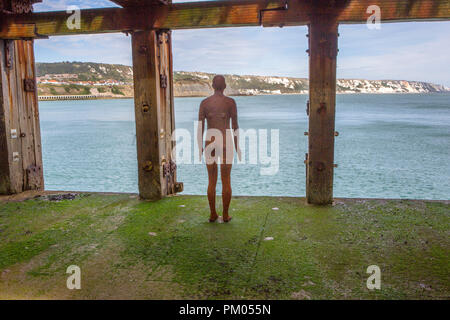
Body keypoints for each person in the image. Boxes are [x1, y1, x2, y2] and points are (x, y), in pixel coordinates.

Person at [197, 75, 241, 223]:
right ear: (225, 86)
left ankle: (213, 214)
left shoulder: (204, 103)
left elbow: (200, 127)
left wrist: (199, 146)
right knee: (226, 179)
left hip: (210, 142)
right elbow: (235, 126)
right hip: (225, 141)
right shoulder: (230, 102)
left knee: (211, 180)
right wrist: (237, 145)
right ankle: (226, 215)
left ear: (212, 86)